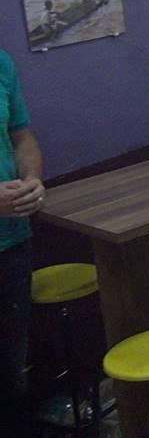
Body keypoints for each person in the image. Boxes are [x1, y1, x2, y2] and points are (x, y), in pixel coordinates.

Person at [0, 51, 45, 435]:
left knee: (10, 371)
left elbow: (21, 135)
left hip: (11, 241)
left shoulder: (1, 63)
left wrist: (32, 179)